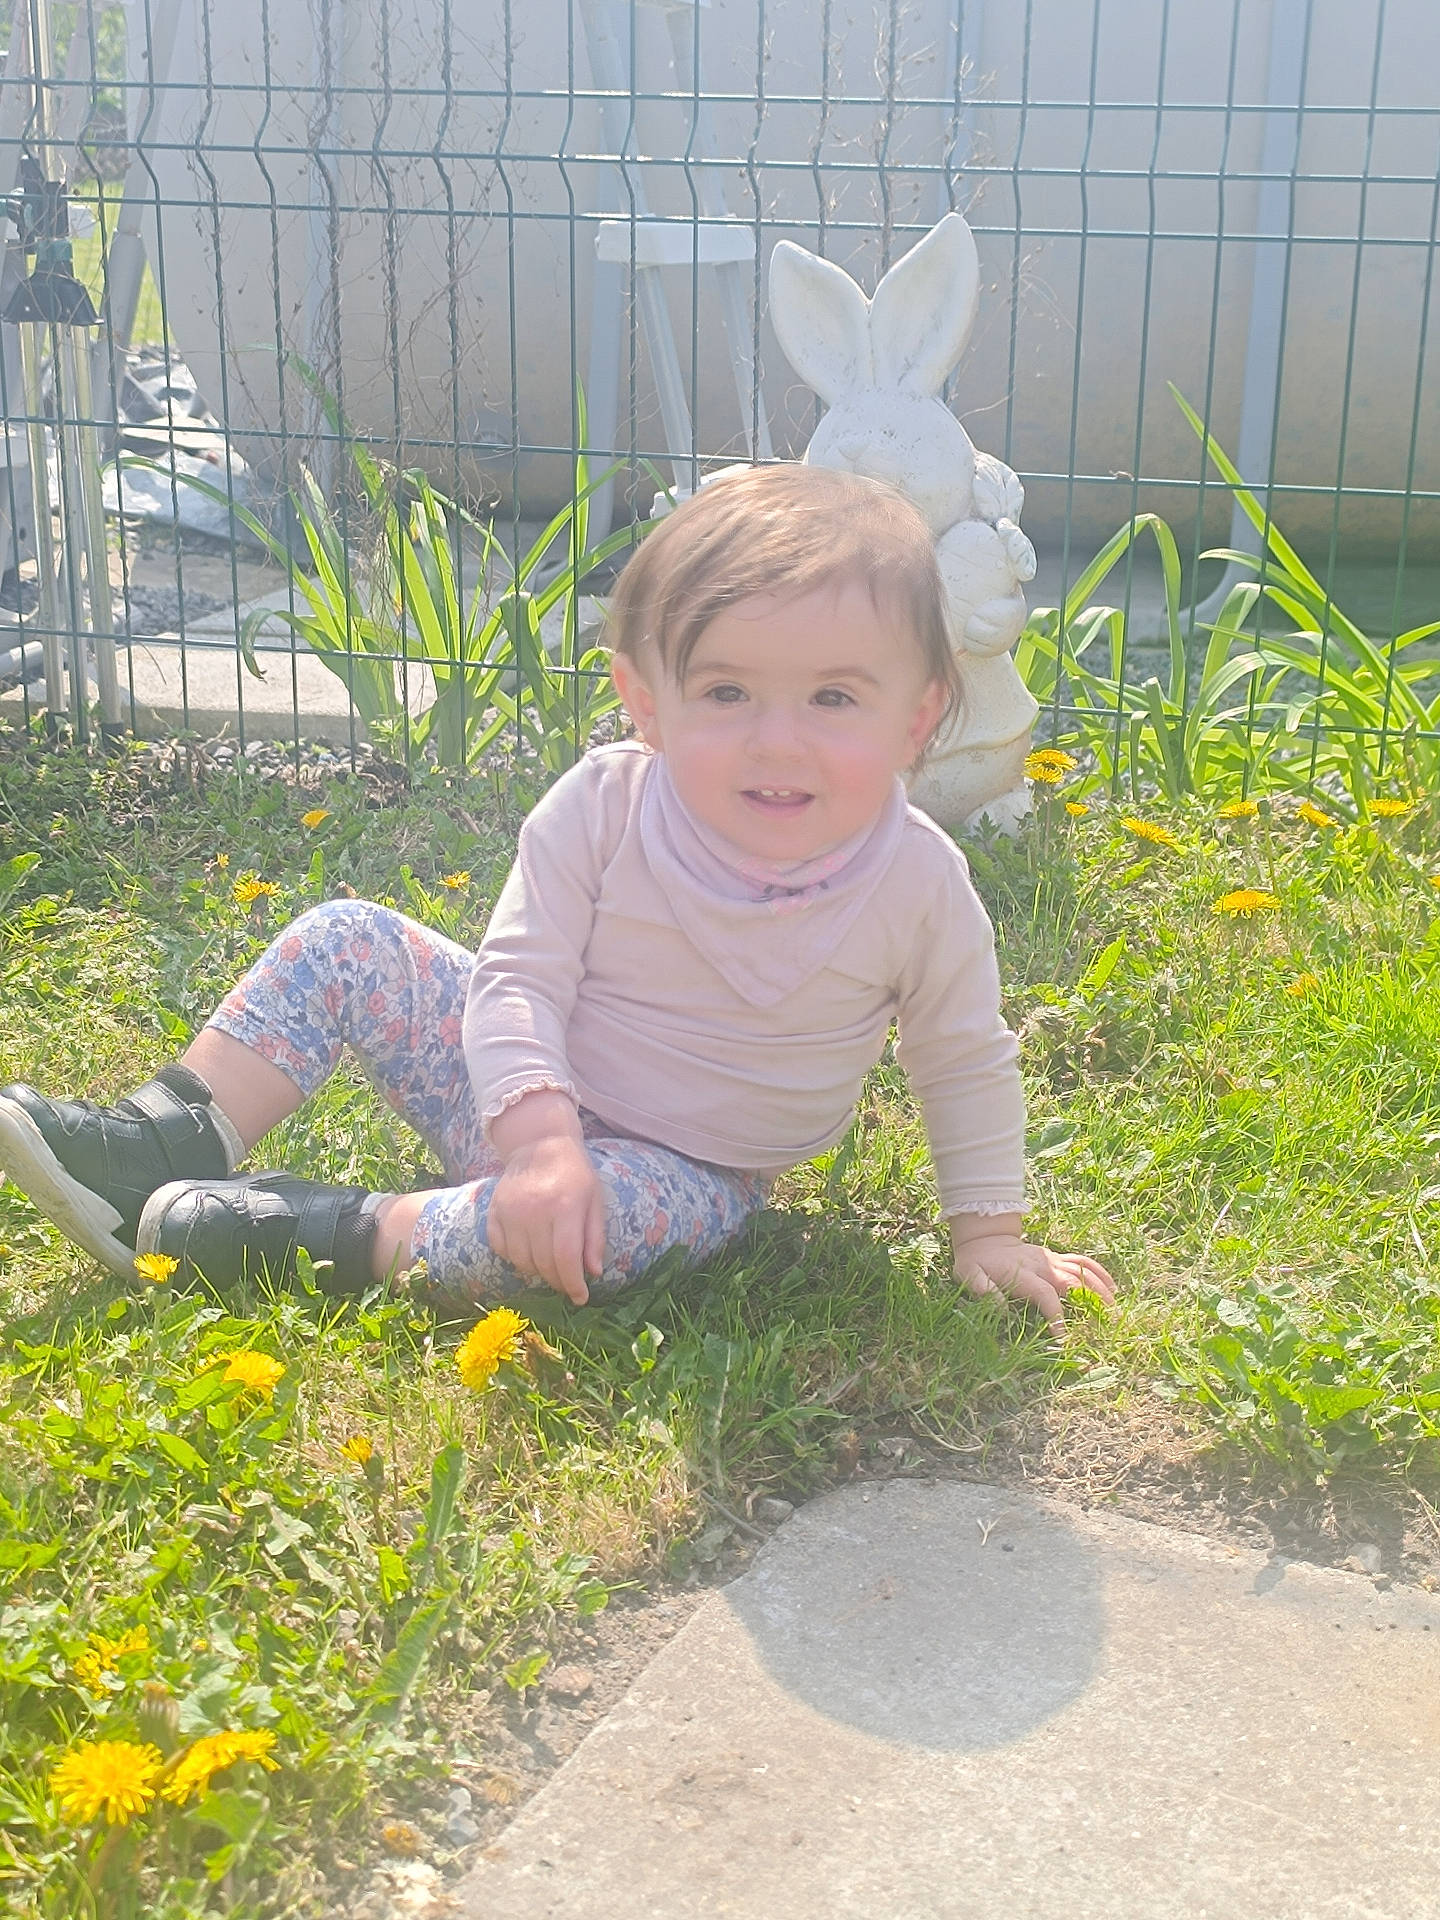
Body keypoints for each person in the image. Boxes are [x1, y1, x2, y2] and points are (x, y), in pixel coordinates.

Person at [0, 465, 1113, 1332]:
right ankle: (164, 1136)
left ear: (918, 717)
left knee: (608, 1233)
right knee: (346, 938)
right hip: (513, 1096)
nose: (779, 739)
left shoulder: (918, 886)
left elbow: (962, 1057)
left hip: (690, 1169)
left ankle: (332, 1232)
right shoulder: (602, 808)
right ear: (647, 701)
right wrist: (537, 1140)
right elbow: (518, 980)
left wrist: (988, 1233)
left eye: (833, 696)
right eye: (726, 691)